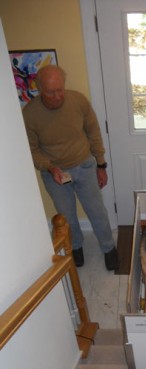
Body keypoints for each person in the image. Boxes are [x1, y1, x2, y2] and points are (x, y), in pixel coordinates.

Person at [23, 65, 118, 270]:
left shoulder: (78, 100)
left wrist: (101, 164)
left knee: (96, 210)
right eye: (50, 92)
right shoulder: (29, 114)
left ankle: (109, 248)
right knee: (66, 215)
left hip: (84, 166)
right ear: (39, 88)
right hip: (55, 173)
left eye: (60, 90)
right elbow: (32, 150)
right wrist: (49, 168)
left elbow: (93, 132)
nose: (57, 96)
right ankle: (75, 246)